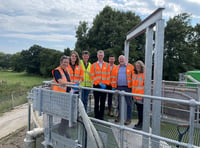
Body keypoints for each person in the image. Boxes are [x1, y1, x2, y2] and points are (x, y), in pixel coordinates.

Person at [52, 55, 75, 137]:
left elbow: (67, 82)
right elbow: (61, 82)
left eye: (67, 62)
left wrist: (72, 87)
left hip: (66, 95)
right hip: (60, 96)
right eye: (64, 62)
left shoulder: (66, 70)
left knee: (67, 114)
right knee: (66, 113)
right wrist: (73, 84)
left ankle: (63, 130)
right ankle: (62, 131)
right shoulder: (57, 71)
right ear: (61, 62)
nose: (66, 63)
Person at [112, 55, 134, 125]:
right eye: (120, 59)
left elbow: (134, 76)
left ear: (125, 60)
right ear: (118, 60)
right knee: (118, 103)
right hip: (118, 87)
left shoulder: (130, 67)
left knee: (129, 103)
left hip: (128, 87)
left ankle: (128, 118)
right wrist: (114, 86)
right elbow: (113, 77)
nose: (121, 60)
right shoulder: (116, 67)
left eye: (122, 59)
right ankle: (119, 116)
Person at [91, 50, 110, 120]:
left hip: (104, 86)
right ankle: (96, 115)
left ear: (103, 56)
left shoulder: (107, 65)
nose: (100, 56)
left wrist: (105, 84)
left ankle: (101, 116)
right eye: (99, 55)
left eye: (101, 55)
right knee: (96, 101)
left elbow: (108, 75)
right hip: (96, 85)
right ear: (97, 56)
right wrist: (98, 83)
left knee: (103, 101)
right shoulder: (93, 65)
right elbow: (92, 76)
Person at [132, 60, 145, 130]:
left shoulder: (144, 75)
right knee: (139, 110)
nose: (137, 67)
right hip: (136, 96)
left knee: (141, 111)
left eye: (138, 66)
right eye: (136, 66)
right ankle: (139, 122)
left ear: (141, 67)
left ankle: (141, 124)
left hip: (141, 96)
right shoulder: (135, 74)